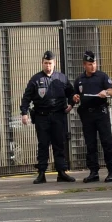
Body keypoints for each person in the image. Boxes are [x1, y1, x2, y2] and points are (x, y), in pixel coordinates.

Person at [20, 50, 75, 183]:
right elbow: (26, 97)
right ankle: (41, 173)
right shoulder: (35, 79)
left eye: (50, 63)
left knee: (59, 144)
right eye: (45, 63)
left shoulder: (61, 78)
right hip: (42, 117)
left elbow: (71, 93)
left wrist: (72, 104)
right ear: (42, 63)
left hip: (58, 116)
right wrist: (24, 113)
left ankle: (61, 172)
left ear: (54, 63)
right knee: (43, 144)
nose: (48, 66)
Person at [73, 50, 112, 183]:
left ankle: (111, 171)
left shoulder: (102, 76)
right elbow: (76, 96)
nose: (93, 66)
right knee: (90, 143)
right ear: (84, 65)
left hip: (101, 113)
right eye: (90, 64)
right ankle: (93, 172)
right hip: (87, 115)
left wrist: (106, 92)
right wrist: (74, 98)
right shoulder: (79, 81)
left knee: (107, 142)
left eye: (94, 63)